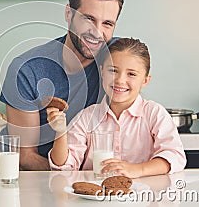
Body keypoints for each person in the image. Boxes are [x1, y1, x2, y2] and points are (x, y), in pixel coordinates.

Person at [0, 0, 125, 171]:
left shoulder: (118, 59)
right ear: (69, 14)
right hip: (5, 174)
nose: (97, 31)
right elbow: (26, 157)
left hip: (68, 178)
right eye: (88, 19)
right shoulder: (27, 69)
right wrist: (76, 181)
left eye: (107, 24)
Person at [47, 38, 186, 178]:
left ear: (145, 80)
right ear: (102, 72)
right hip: (97, 193)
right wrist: (60, 133)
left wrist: (137, 170)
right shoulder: (87, 117)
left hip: (144, 196)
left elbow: (175, 156)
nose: (120, 80)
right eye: (113, 70)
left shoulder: (154, 113)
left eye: (131, 74)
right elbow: (63, 168)